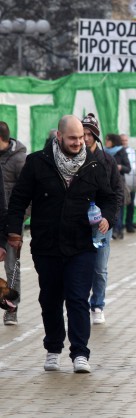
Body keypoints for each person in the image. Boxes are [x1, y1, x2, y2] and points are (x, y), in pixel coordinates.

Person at [6, 115, 117, 373]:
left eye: (82, 138)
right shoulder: (37, 163)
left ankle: (80, 353)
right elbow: (18, 200)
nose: (79, 142)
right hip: (47, 245)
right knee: (50, 299)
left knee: (78, 299)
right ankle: (53, 348)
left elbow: (110, 198)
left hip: (82, 246)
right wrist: (14, 231)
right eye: (73, 138)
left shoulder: (94, 165)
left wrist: (108, 219)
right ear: (59, 136)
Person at [82, 113, 123, 325]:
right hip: (78, 224)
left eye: (89, 134)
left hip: (101, 225)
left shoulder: (107, 160)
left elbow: (117, 192)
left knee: (99, 268)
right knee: (78, 267)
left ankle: (97, 305)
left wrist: (109, 217)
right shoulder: (73, 158)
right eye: (83, 133)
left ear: (96, 136)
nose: (85, 138)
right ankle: (78, 305)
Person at [0, 121, 27, 325]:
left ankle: (11, 310)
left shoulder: (20, 160)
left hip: (11, 224)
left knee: (12, 268)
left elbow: (29, 195)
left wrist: (17, 222)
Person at [104, 133, 131, 240]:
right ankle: (115, 230)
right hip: (107, 183)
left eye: (108, 140)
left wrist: (120, 167)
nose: (106, 142)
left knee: (119, 207)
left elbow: (128, 168)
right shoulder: (104, 151)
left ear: (113, 141)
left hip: (119, 182)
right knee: (111, 207)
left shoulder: (121, 151)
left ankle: (118, 230)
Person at [121, 133, 136, 233]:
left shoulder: (132, 151)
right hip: (122, 182)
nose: (124, 143)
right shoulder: (118, 151)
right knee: (121, 205)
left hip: (132, 181)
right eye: (122, 141)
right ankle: (120, 226)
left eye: (125, 141)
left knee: (131, 205)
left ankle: (129, 225)